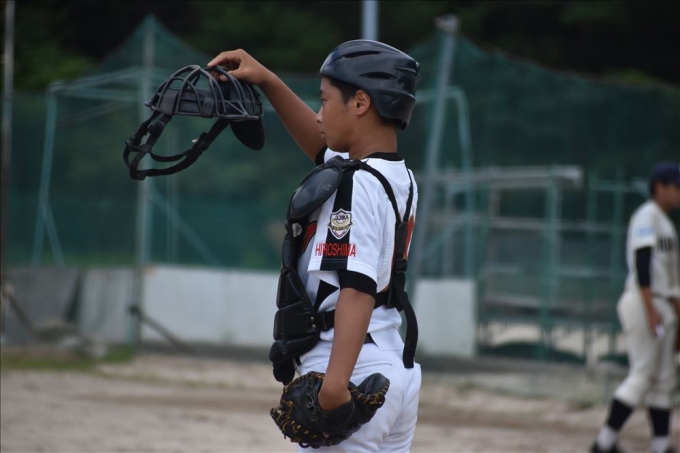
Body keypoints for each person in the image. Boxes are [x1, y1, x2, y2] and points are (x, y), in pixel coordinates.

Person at [208, 40, 422, 452]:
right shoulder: (400, 177)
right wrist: (268, 81)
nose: (319, 115)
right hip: (394, 364)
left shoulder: (355, 183)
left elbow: (356, 288)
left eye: (324, 101)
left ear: (360, 102)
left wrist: (335, 387)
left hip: (350, 367)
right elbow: (323, 147)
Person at [591, 163, 680, 453]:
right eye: (676, 186)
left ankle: (660, 446)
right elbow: (643, 261)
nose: (679, 192)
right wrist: (650, 309)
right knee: (643, 373)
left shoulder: (666, 223)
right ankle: (603, 444)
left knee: (664, 378)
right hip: (645, 301)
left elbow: (671, 279)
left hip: (663, 304)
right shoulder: (647, 214)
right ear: (659, 186)